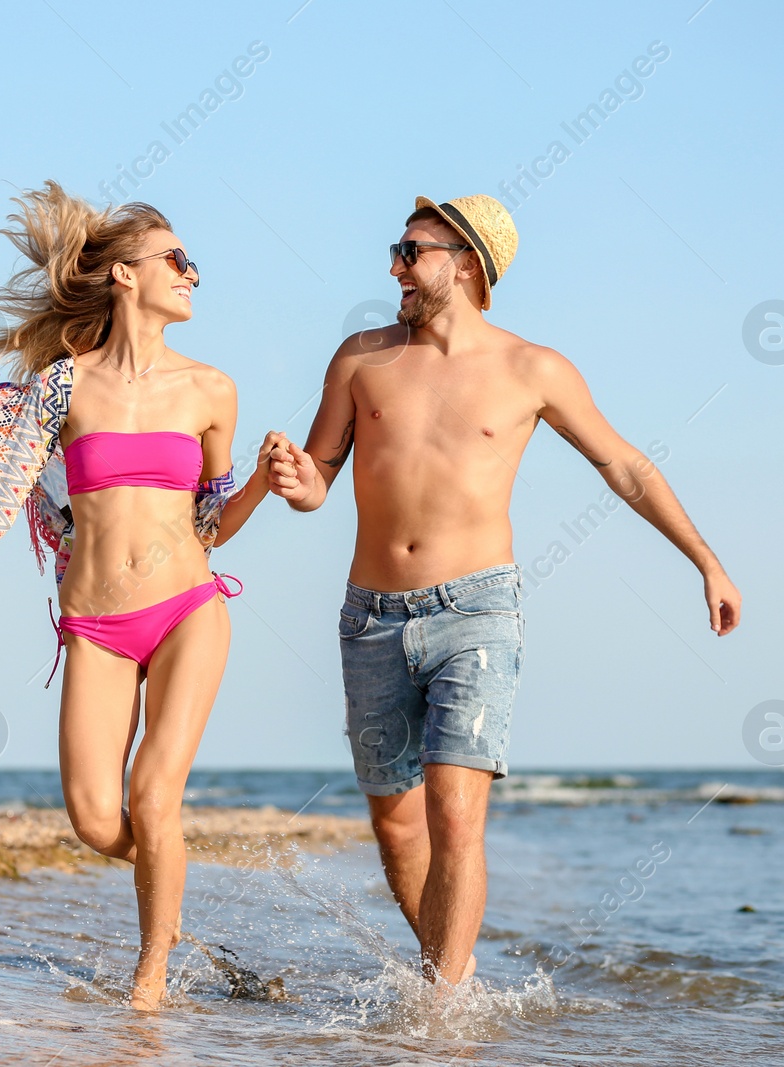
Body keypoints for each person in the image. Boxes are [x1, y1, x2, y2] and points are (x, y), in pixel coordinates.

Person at [264, 193, 741, 991]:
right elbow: (321, 478)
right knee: (395, 822)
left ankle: (443, 1013)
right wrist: (295, 479)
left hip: (477, 613)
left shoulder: (533, 369)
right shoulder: (359, 357)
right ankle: (452, 971)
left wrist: (706, 561)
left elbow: (625, 465)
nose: (394, 267)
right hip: (371, 615)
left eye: (410, 250)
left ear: (467, 262)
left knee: (455, 814)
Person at [0, 181, 274, 1010]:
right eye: (178, 259)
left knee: (151, 795)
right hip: (96, 625)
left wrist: (266, 489)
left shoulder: (213, 390)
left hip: (186, 611)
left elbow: (211, 520)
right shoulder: (62, 388)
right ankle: (172, 904)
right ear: (125, 276)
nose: (193, 274)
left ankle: (151, 987)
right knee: (100, 821)